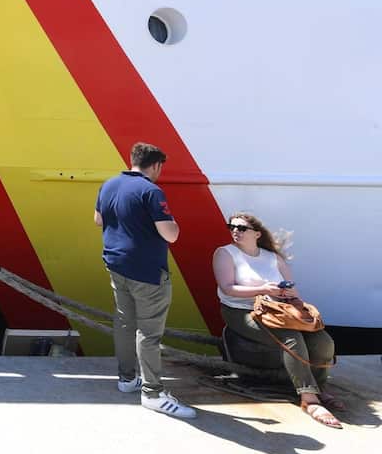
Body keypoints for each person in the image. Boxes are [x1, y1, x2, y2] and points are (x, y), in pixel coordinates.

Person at [94, 142, 197, 419]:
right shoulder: (151, 191)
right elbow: (171, 234)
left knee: (125, 325)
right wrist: (172, 223)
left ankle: (127, 379)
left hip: (116, 265)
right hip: (147, 273)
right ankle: (152, 393)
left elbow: (98, 219)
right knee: (149, 333)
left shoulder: (109, 184)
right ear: (156, 165)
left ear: (133, 160)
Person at [213, 213, 341, 428]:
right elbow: (228, 288)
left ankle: (320, 386)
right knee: (290, 338)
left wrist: (287, 294)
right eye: (231, 227)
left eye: (241, 228)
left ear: (257, 234)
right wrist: (263, 289)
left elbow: (293, 289)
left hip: (277, 310)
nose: (235, 231)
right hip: (241, 311)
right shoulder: (225, 253)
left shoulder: (273, 257)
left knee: (323, 341)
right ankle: (309, 399)